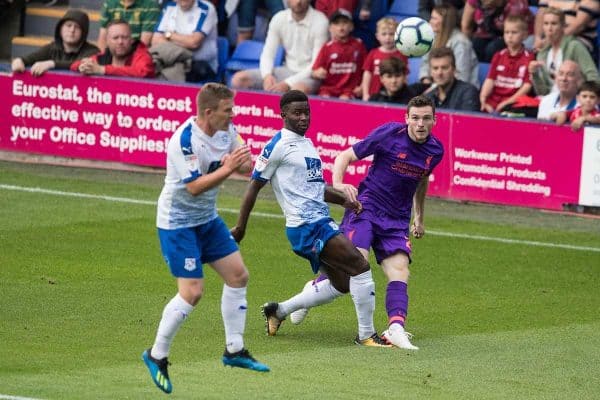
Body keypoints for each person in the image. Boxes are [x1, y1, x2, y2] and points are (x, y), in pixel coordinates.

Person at [231, 90, 390, 348]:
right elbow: (253, 186)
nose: (304, 117)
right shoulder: (278, 146)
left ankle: (278, 310)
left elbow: (315, 189)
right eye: (297, 113)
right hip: (305, 226)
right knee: (360, 267)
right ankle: (366, 336)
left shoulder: (307, 145)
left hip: (319, 222)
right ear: (283, 114)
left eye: (307, 112)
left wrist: (345, 200)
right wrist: (240, 227)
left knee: (342, 284)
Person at [285, 95, 445, 350]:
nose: (420, 124)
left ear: (435, 120)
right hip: (366, 208)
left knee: (400, 270)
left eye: (426, 118)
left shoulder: (435, 150)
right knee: (352, 272)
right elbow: (344, 157)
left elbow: (422, 181)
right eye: (415, 118)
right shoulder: (389, 134)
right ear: (406, 119)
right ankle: (307, 294)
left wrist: (419, 217)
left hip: (396, 220)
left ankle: (395, 328)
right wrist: (338, 186)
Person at [141, 83, 270, 395]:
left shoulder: (227, 130)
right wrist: (228, 168)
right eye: (228, 110)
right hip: (178, 224)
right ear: (209, 112)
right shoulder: (184, 141)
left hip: (206, 219)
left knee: (238, 276)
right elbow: (195, 187)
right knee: (193, 292)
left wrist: (244, 163)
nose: (233, 115)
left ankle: (234, 350)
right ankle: (156, 355)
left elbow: (243, 163)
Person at [230, 0, 329, 94]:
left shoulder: (321, 21)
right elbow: (268, 53)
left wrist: (287, 83)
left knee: (296, 92)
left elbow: (315, 65)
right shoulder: (279, 18)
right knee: (239, 80)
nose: (298, 1)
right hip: (286, 70)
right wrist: (267, 75)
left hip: (310, 75)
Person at [528, 7, 599, 96]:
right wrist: (535, 74)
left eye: (554, 24)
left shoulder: (574, 46)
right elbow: (543, 92)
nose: (549, 28)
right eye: (546, 24)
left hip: (575, 100)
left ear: (563, 26)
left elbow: (593, 77)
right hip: (551, 102)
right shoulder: (542, 53)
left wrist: (584, 98)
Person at [11, 9, 99, 76]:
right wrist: (19, 61)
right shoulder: (52, 47)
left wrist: (51, 64)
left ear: (83, 33)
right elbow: (30, 58)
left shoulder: (92, 51)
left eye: (77, 27)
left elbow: (80, 64)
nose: (72, 30)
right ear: (60, 29)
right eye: (68, 26)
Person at [151, 0, 219, 82]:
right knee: (150, 67)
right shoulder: (169, 6)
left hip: (200, 62)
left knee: (168, 73)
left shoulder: (206, 8)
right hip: (172, 59)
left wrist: (169, 35)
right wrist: (184, 41)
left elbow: (194, 43)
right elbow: (155, 41)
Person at [479, 15, 534, 113]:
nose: (510, 36)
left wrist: (507, 102)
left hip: (513, 102)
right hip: (494, 100)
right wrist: (483, 98)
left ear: (525, 35)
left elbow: (527, 87)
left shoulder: (529, 57)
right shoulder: (498, 55)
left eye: (514, 32)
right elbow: (490, 80)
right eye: (507, 32)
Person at [419, 4, 479, 88]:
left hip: (459, 90)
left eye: (434, 18)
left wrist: (434, 88)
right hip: (436, 85)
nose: (430, 21)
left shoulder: (461, 42)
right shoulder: (432, 37)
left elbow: (461, 75)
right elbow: (425, 62)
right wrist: (426, 79)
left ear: (445, 21)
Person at [311, 8, 367, 99]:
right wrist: (318, 73)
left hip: (350, 90)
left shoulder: (359, 45)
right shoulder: (327, 47)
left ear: (351, 26)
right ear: (330, 28)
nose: (341, 27)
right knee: (324, 102)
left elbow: (366, 70)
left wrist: (362, 86)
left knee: (344, 101)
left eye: (344, 22)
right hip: (328, 89)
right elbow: (314, 71)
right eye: (336, 23)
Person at [71, 20, 155, 78]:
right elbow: (74, 65)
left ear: (131, 40)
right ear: (107, 41)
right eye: (115, 38)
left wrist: (103, 70)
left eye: (125, 37)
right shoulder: (103, 57)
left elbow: (143, 72)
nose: (120, 42)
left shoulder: (142, 55)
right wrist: (82, 67)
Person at [461, 0, 533, 62]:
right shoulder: (475, 1)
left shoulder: (515, 4)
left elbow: (513, 31)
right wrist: (465, 46)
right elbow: (466, 26)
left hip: (513, 34)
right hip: (485, 33)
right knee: (475, 45)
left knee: (492, 49)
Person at [360, 16, 408, 101]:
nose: (387, 37)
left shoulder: (401, 54)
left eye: (391, 34)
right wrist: (365, 93)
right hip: (374, 96)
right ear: (377, 36)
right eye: (384, 34)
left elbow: (404, 77)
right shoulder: (373, 53)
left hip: (395, 98)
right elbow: (367, 75)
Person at [533, 0, 599, 60]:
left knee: (570, 48)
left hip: (578, 38)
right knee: (529, 45)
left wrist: (551, 41)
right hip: (550, 37)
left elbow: (578, 26)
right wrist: (538, 38)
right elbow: (540, 15)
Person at [425, 47, 481, 111]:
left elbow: (469, 120)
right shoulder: (428, 97)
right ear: (430, 72)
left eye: (444, 68)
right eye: (435, 68)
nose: (439, 73)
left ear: (454, 69)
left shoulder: (468, 93)